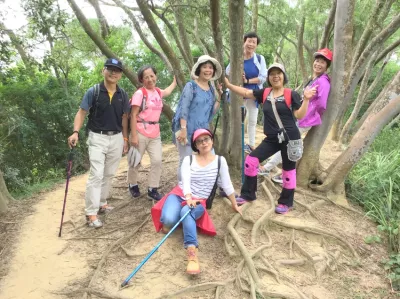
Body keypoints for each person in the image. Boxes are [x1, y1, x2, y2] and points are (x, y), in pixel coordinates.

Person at [224, 63, 317, 214]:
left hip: (290, 138)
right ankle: (248, 194)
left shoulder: (290, 94)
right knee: (251, 161)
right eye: (272, 73)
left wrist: (306, 99)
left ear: (283, 76)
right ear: (268, 78)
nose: (275, 76)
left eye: (278, 73)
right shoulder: (265, 93)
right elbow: (247, 93)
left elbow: (299, 115)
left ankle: (286, 203)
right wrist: (229, 85)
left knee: (288, 171)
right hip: (272, 138)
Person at [151, 129, 241, 275]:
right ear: (195, 145)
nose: (204, 143)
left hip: (199, 201)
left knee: (186, 212)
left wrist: (234, 203)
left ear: (212, 141)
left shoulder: (220, 161)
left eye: (206, 139)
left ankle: (192, 254)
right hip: (180, 195)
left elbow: (227, 184)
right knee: (167, 221)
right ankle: (177, 219)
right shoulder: (189, 159)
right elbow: (185, 181)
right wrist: (188, 198)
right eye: (199, 141)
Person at [67, 58, 130, 228]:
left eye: (116, 70)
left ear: (120, 75)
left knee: (109, 173)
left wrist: (125, 139)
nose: (113, 72)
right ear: (103, 71)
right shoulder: (93, 91)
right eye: (109, 69)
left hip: (116, 138)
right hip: (97, 137)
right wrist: (75, 132)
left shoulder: (123, 95)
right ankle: (91, 213)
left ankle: (102, 202)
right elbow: (81, 113)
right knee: (96, 174)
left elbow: (124, 119)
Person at [260, 48, 332, 183]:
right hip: (300, 117)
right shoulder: (315, 79)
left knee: (289, 144)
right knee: (289, 143)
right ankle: (272, 168)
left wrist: (312, 113)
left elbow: (322, 104)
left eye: (322, 62)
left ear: (327, 66)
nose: (318, 64)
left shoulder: (323, 82)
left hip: (306, 119)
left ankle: (270, 169)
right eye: (317, 61)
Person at [128, 65, 177, 201]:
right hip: (140, 130)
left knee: (157, 161)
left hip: (155, 132)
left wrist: (175, 82)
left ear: (156, 76)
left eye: (152, 76)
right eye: (146, 77)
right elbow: (133, 115)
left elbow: (167, 91)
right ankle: (132, 184)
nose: (150, 79)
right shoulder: (140, 93)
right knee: (135, 161)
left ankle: (152, 189)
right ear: (141, 80)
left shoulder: (158, 92)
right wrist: (134, 135)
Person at [172, 55, 223, 180]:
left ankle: (206, 189)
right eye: (205, 67)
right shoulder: (191, 86)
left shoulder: (211, 89)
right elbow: (184, 108)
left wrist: (219, 98)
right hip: (186, 130)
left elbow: (210, 112)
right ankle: (182, 190)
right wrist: (183, 129)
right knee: (186, 162)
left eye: (210, 68)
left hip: (202, 132)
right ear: (199, 69)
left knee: (210, 159)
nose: (208, 70)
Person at [226, 32, 267, 154]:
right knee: (238, 118)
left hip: (253, 92)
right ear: (244, 41)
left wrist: (247, 80)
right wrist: (237, 74)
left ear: (256, 45)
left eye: (254, 42)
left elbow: (263, 77)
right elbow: (228, 72)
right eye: (249, 41)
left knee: (253, 119)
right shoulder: (237, 57)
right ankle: (237, 143)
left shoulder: (259, 59)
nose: (251, 44)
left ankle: (251, 144)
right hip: (238, 91)